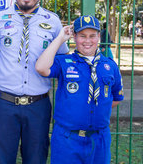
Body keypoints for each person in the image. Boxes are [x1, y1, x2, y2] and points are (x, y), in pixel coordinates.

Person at [0, 0, 69, 164]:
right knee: (0, 159)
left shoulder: (53, 21)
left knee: (36, 158)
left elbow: (61, 60)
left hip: (38, 105)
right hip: (4, 104)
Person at [36, 15, 124, 164]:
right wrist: (60, 38)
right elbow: (41, 67)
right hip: (67, 139)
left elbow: (116, 97)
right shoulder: (65, 62)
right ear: (74, 37)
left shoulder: (110, 66)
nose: (87, 41)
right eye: (82, 36)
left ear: (99, 37)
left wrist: (93, 109)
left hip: (99, 138)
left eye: (92, 36)